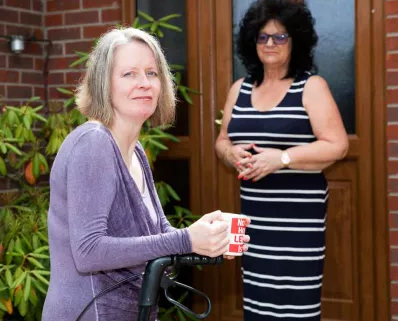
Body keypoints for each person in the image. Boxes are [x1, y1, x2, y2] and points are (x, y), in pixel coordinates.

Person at [42, 27, 250, 321]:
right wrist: (186, 240)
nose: (144, 83)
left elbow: (160, 236)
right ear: (104, 83)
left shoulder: (135, 150)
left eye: (152, 73)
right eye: (129, 74)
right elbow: (89, 252)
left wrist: (206, 236)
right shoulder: (93, 142)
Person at [215, 0, 349, 320]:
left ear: (295, 41)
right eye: (263, 36)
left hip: (297, 225)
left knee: (295, 309)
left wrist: (282, 159)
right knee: (257, 307)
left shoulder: (310, 87)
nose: (270, 43)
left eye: (279, 36)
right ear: (252, 41)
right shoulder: (239, 89)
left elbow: (337, 145)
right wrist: (231, 154)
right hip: (255, 221)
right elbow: (221, 141)